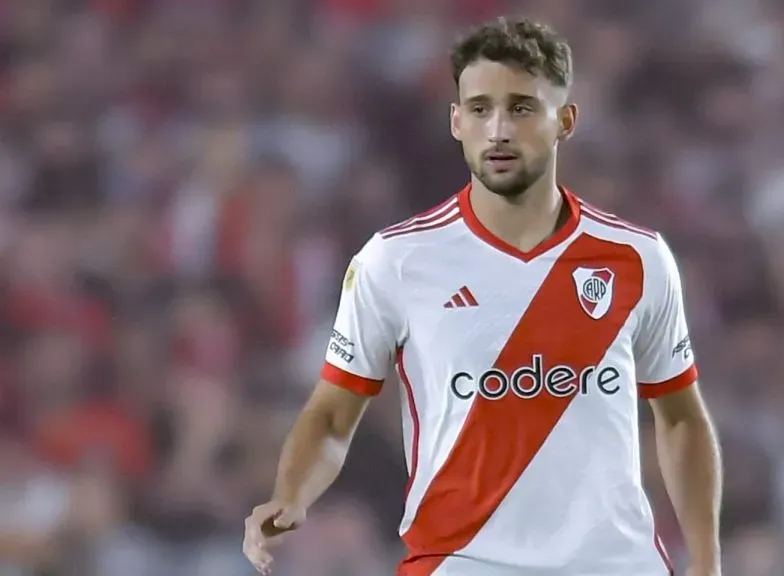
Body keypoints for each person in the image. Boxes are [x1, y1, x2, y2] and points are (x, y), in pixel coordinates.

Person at [242, 16, 723, 576]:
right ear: (455, 122)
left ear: (565, 120)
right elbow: (332, 413)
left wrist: (707, 560)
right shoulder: (395, 261)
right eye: (479, 109)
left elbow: (682, 417)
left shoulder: (637, 258)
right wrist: (291, 494)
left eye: (521, 108)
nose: (498, 129)